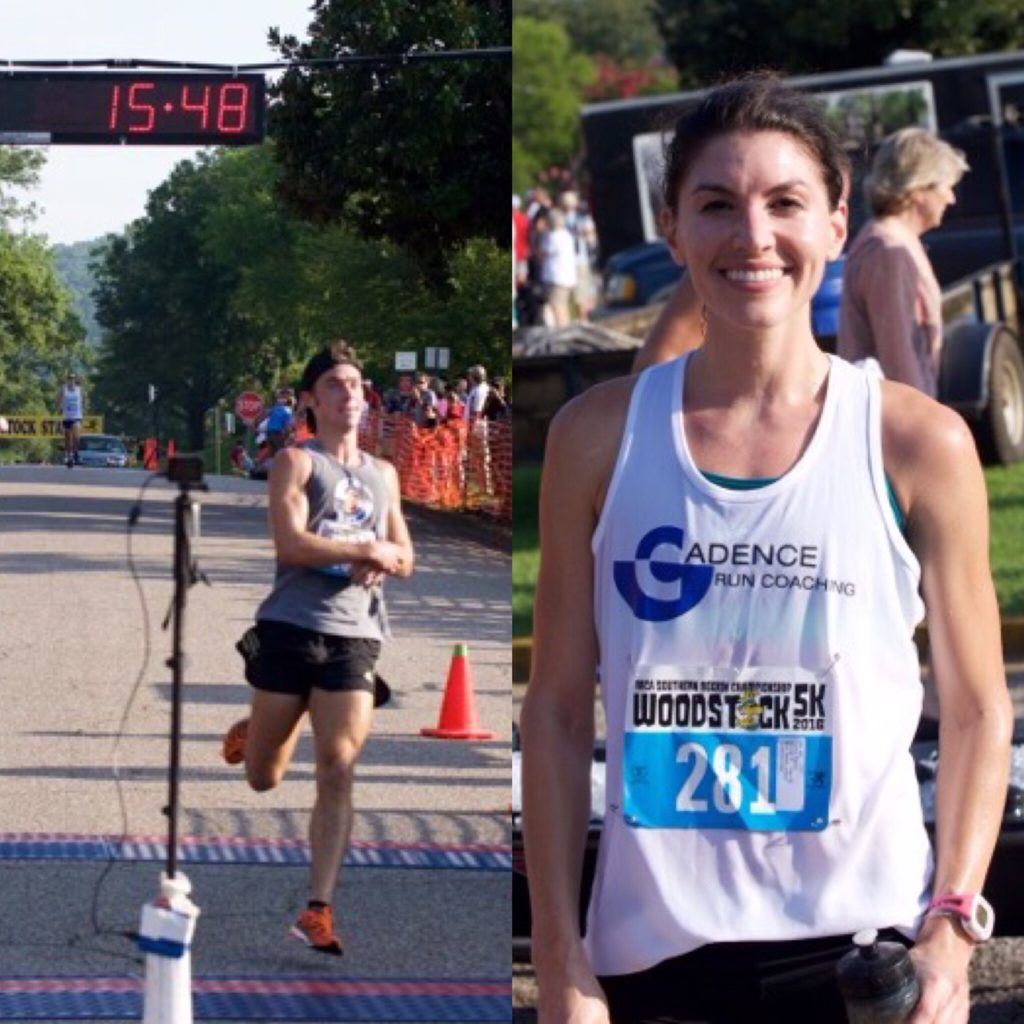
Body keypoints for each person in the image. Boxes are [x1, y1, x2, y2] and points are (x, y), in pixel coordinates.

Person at [521, 74, 1011, 1024]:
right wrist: (558, 955)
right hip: (652, 959)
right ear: (674, 230)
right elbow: (552, 711)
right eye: (717, 204)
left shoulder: (917, 442)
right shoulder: (595, 436)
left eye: (785, 202)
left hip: (862, 959)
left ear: (836, 225)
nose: (752, 235)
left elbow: (980, 707)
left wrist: (951, 928)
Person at [221, 340, 414, 955]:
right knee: (263, 779)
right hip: (289, 627)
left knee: (337, 767)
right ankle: (258, 730)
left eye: (356, 384)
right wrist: (364, 551)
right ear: (311, 399)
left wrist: (387, 560)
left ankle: (319, 908)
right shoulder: (296, 464)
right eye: (334, 384)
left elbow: (404, 553)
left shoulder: (383, 474)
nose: (349, 394)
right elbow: (292, 545)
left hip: (355, 635)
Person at [839, 129, 968, 397]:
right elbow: (899, 356)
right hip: (896, 420)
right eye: (946, 186)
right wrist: (922, 425)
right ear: (919, 189)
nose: (951, 198)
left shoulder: (894, 240)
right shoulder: (887, 251)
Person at [56, 372, 85, 468]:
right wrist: (59, 408)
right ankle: (69, 456)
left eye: (73, 378)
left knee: (76, 436)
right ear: (67, 379)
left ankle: (76, 452)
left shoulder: (79, 389)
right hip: (66, 416)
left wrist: (82, 411)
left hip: (76, 416)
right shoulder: (63, 389)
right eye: (69, 378)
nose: (71, 380)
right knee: (68, 437)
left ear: (75, 380)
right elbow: (58, 400)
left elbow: (83, 400)